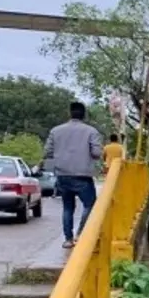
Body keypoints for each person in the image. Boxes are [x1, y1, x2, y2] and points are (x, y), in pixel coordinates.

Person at [44, 101, 102, 248]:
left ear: (69, 113)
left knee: (68, 207)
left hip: (63, 175)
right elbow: (96, 153)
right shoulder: (91, 131)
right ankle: (81, 234)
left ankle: (68, 239)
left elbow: (47, 152)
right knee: (90, 205)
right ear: (84, 114)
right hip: (83, 175)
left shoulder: (55, 131)